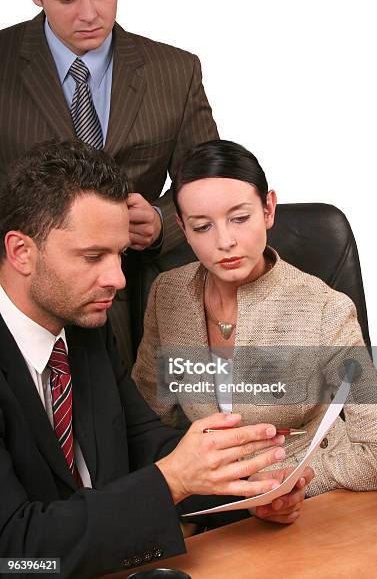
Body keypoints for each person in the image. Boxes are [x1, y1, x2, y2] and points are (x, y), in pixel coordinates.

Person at [0, 141, 314, 578]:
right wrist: (173, 481)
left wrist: (246, 489)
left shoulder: (82, 326)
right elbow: (13, 551)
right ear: (21, 252)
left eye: (119, 255)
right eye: (92, 257)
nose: (117, 279)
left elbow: (143, 442)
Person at [133, 139, 377, 497]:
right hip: (212, 503)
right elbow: (146, 421)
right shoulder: (167, 295)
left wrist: (297, 478)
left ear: (268, 210)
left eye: (240, 218)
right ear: (183, 229)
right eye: (202, 227)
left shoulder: (325, 309)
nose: (225, 241)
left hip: (310, 504)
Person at [0, 0, 218, 367]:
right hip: (25, 299)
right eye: (68, 0)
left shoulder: (175, 71)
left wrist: (160, 220)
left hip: (134, 299)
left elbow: (213, 181)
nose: (89, 14)